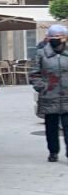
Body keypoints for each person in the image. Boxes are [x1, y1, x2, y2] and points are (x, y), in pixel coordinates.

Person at [32, 24, 68, 161]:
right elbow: (34, 73)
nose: (55, 39)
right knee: (51, 128)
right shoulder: (41, 53)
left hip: (66, 95)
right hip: (49, 96)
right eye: (52, 36)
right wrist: (42, 86)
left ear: (64, 38)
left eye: (58, 36)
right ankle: (53, 152)